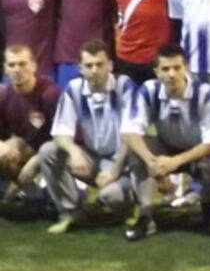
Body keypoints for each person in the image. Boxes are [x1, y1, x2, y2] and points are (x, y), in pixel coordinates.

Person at [120, 44, 210, 240]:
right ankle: (145, 214)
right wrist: (152, 162)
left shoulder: (205, 93)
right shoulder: (149, 90)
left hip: (196, 151)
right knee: (136, 151)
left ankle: (208, 204)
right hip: (165, 147)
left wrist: (174, 163)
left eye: (177, 68)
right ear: (156, 72)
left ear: (186, 68)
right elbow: (130, 132)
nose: (172, 74)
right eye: (165, 69)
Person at [38, 40, 136, 234]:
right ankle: (71, 213)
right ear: (80, 68)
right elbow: (60, 131)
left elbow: (132, 134)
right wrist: (74, 151)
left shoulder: (125, 86)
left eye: (99, 64)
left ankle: (130, 208)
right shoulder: (73, 89)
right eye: (89, 65)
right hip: (92, 158)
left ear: (110, 65)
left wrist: (114, 171)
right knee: (48, 151)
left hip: (122, 162)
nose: (94, 70)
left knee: (111, 196)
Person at [0, 44, 62, 194]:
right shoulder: (4, 96)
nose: (17, 69)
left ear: (34, 66)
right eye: (12, 65)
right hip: (27, 148)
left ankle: (64, 189)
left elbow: (65, 138)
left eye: (22, 64)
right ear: (5, 69)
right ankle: (24, 192)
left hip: (52, 153)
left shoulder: (50, 94)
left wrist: (35, 161)